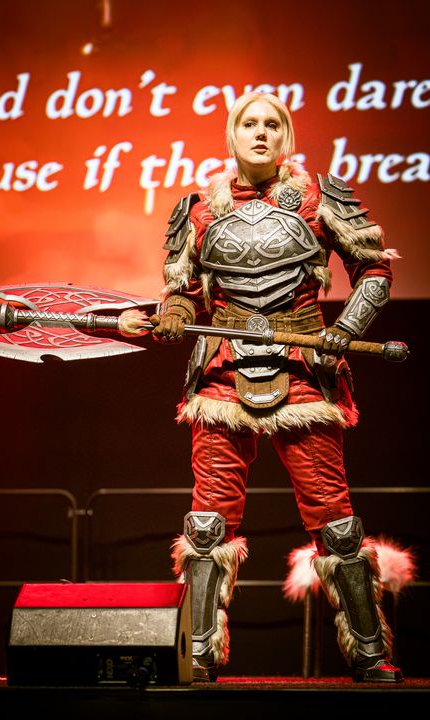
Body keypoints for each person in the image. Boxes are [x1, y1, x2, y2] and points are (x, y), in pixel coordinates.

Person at [149, 91, 403, 684]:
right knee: (207, 523)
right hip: (220, 371)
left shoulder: (322, 197)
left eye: (272, 124)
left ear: (286, 136)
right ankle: (198, 652)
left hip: (303, 366)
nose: (260, 132)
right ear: (232, 134)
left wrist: (346, 330)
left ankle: (370, 653)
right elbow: (183, 289)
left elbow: (374, 268)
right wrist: (175, 313)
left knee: (334, 518)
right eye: (249, 123)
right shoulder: (198, 209)